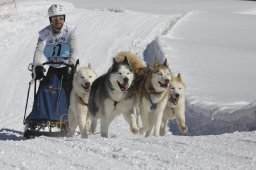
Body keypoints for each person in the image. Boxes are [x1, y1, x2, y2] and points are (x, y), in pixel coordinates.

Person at [32, 4, 78, 103]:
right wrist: (37, 66)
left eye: (61, 18)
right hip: (53, 66)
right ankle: (42, 114)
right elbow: (39, 50)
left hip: (67, 65)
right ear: (50, 20)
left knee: (70, 91)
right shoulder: (45, 33)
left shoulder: (70, 31)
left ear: (64, 18)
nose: (58, 21)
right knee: (45, 89)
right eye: (54, 18)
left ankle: (70, 114)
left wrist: (72, 64)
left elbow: (74, 50)